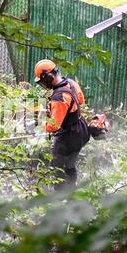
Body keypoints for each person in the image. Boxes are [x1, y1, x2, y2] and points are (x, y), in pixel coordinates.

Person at [34, 59, 90, 190]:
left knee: (57, 168)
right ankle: (72, 191)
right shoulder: (71, 83)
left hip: (67, 136)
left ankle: (61, 196)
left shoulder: (59, 97)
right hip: (80, 130)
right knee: (70, 165)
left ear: (48, 77)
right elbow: (80, 100)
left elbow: (54, 126)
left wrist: (40, 123)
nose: (43, 84)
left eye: (42, 81)